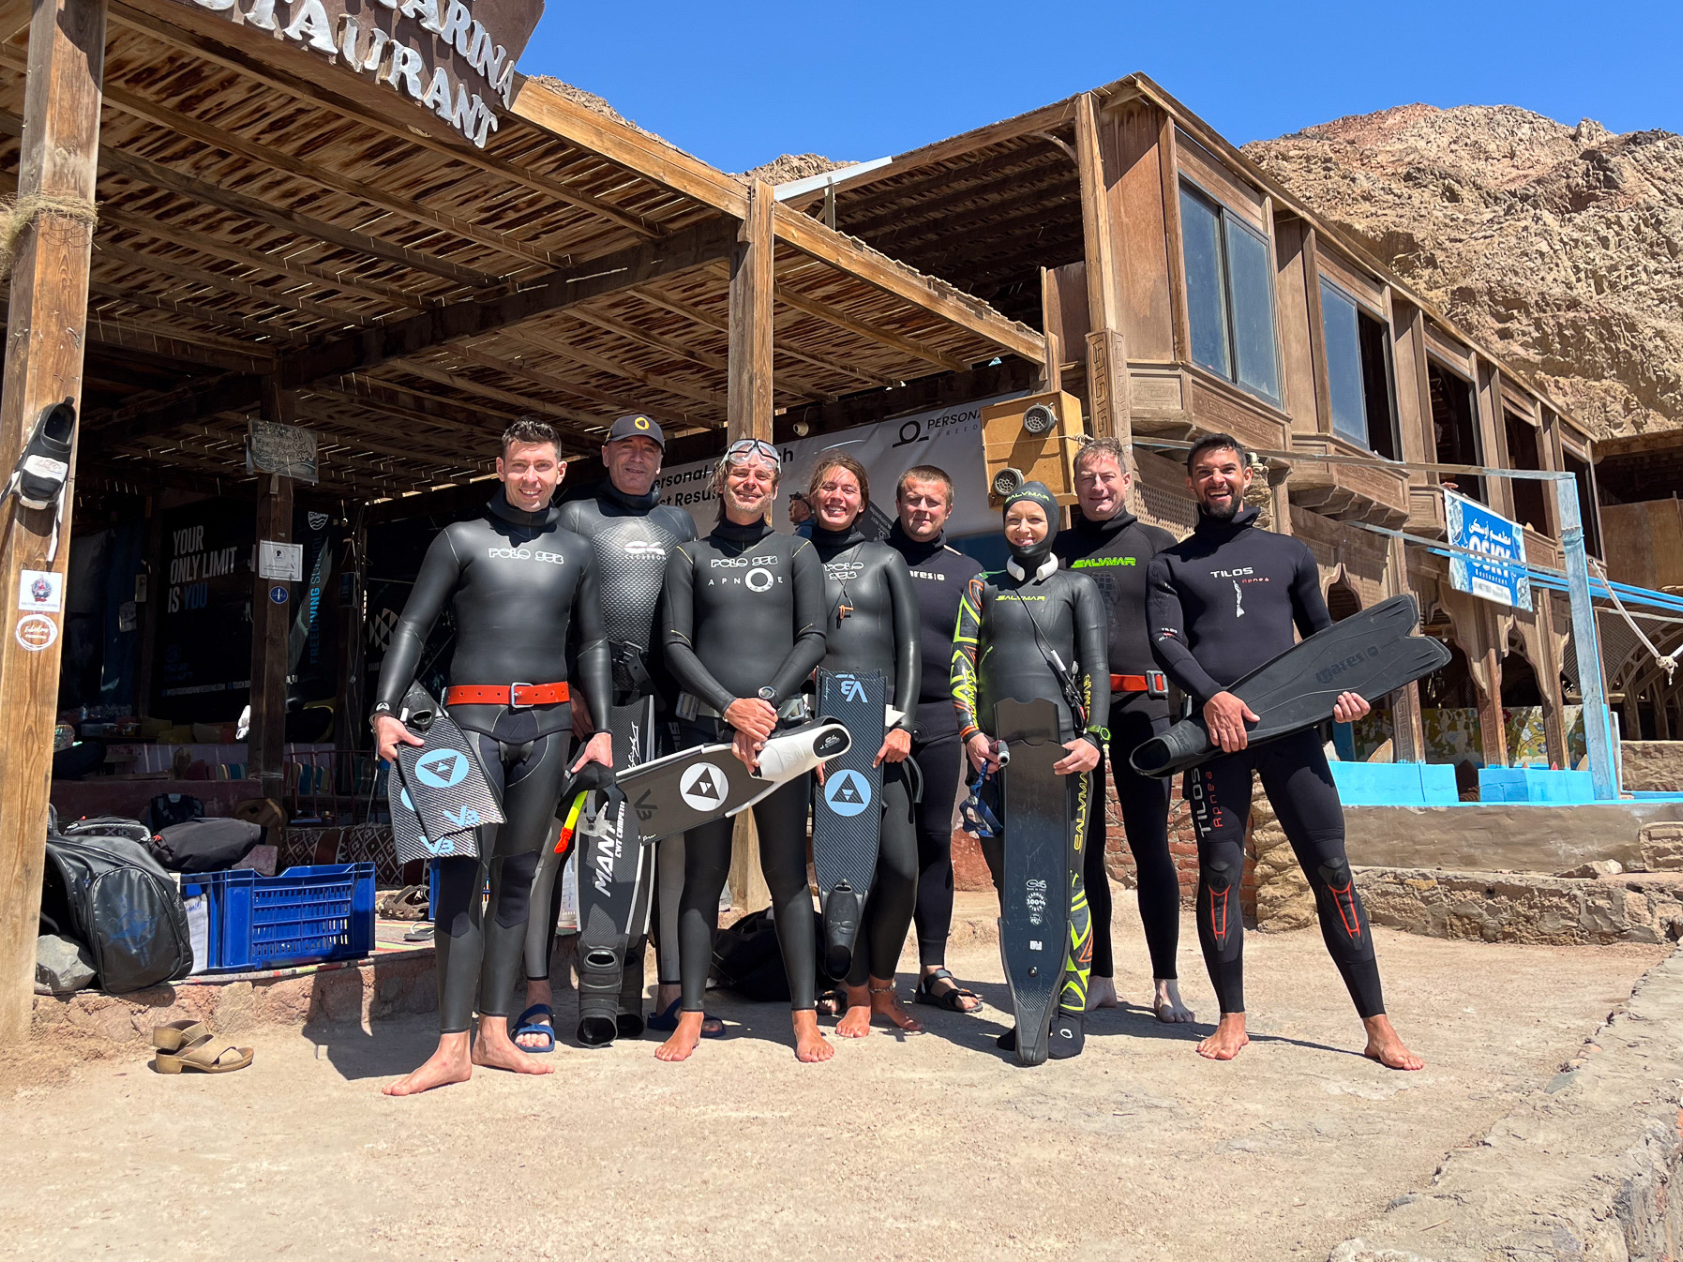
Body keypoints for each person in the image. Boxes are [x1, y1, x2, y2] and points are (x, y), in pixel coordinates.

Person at [1146, 433, 1422, 1070]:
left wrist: (1346, 696)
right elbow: (1168, 644)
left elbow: (1326, 641)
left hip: (1293, 732)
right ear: (1190, 483)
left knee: (1332, 869)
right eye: (1204, 471)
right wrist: (1213, 699)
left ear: (1247, 476)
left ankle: (1378, 1025)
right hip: (1218, 738)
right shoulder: (1172, 564)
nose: (1217, 479)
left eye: (1227, 469)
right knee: (1219, 873)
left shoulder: (1289, 553)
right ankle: (1232, 1017)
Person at [371, 418, 614, 1095]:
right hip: (471, 725)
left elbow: (592, 643)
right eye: (519, 465)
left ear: (561, 472)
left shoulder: (577, 550)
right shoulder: (461, 539)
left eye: (543, 466)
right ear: (499, 468)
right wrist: (385, 708)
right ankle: (451, 1046)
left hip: (549, 727)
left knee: (517, 879)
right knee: (459, 876)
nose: (531, 478)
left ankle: (495, 1034)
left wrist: (601, 729)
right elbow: (413, 625)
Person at [513, 413, 711, 1051]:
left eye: (649, 449)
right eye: (625, 447)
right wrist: (568, 688)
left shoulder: (678, 524)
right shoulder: (573, 516)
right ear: (604, 455)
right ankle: (539, 994)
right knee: (551, 846)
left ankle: (658, 990)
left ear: (661, 460)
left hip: (658, 705)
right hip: (580, 707)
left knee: (659, 845)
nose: (636, 458)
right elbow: (546, 605)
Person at [656, 438, 832, 1064]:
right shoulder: (689, 555)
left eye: (762, 475)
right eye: (740, 473)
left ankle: (804, 1017)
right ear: (721, 481)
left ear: (776, 490)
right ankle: (691, 1015)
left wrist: (761, 708)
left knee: (787, 876)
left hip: (779, 734)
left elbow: (813, 638)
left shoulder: (797, 552)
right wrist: (731, 709)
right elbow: (675, 645)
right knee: (703, 877)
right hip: (709, 734)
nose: (751, 482)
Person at [952, 481, 1108, 1059]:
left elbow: (1095, 667)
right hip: (996, 755)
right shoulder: (982, 587)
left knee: (1067, 880)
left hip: (1063, 756)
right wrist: (971, 733)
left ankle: (1069, 1008)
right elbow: (962, 660)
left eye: (1035, 520)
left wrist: (1094, 738)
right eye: (1014, 519)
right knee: (1013, 885)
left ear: (1052, 524)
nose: (1023, 529)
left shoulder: (1077, 586)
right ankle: (1029, 1001)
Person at [1053, 439, 1193, 1023]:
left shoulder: (1158, 545)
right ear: (1076, 485)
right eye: (1087, 478)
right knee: (1085, 850)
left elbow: (1186, 632)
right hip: (1077, 713)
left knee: (1149, 844)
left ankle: (1166, 982)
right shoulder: (1058, 549)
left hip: (1143, 710)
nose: (1098, 487)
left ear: (1127, 481)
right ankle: (1101, 975)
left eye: (1107, 477)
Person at [806, 453, 923, 1036]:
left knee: (899, 867)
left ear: (862, 500)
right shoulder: (795, 556)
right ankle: (853, 991)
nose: (837, 496)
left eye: (848, 489)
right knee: (840, 865)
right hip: (822, 734)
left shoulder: (886, 559)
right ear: (812, 495)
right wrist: (804, 738)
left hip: (882, 734)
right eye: (828, 486)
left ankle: (882, 986)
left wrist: (903, 724)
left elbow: (909, 646)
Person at [884, 465, 985, 1014]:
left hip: (942, 721)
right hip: (878, 721)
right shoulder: (874, 559)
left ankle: (932, 968)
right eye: (913, 499)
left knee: (933, 841)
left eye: (933, 502)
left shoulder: (967, 572)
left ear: (948, 509)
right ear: (898, 503)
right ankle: (863, 972)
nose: (922, 510)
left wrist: (976, 727)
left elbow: (979, 654)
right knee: (872, 847)